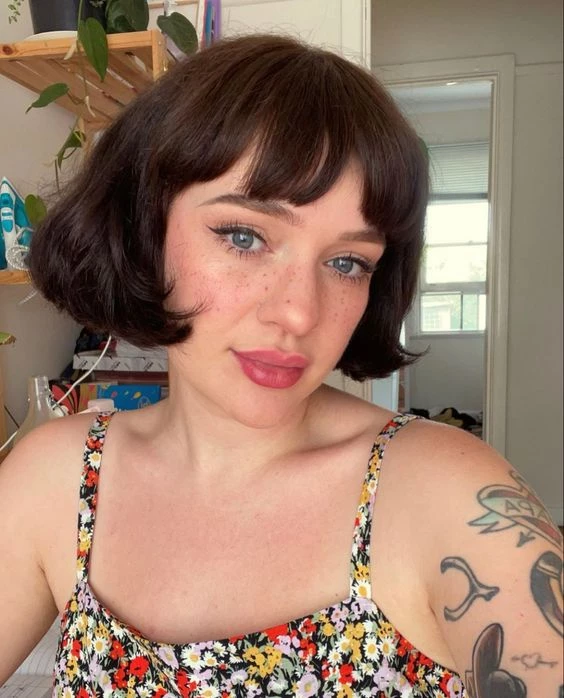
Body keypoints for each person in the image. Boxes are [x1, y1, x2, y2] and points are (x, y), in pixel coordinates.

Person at [0, 34, 561, 698]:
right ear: (144, 228)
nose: (299, 313)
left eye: (347, 262)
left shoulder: (446, 493)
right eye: (245, 237)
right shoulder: (57, 479)